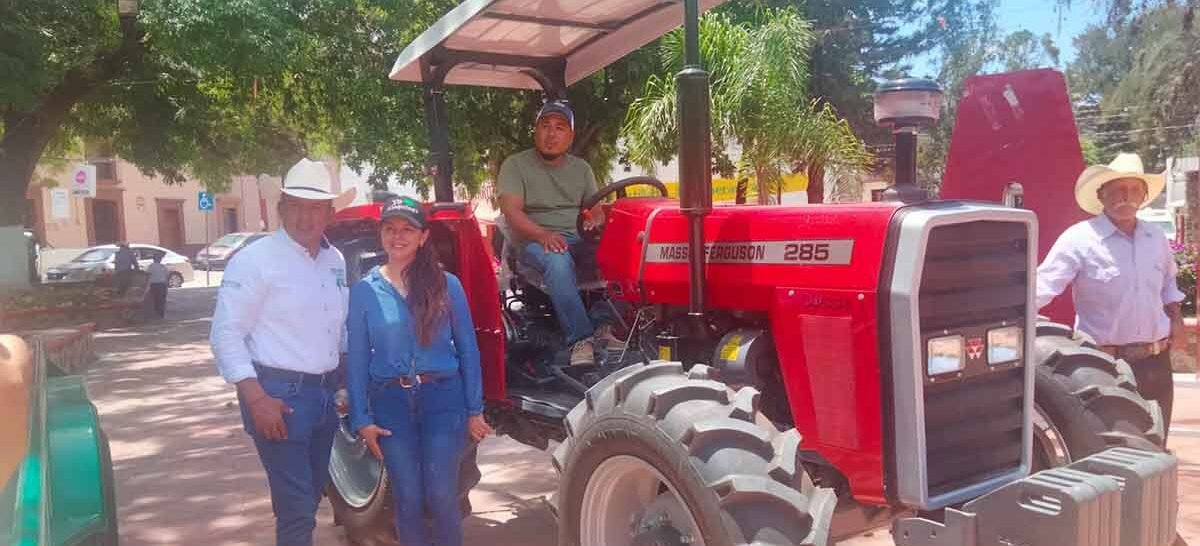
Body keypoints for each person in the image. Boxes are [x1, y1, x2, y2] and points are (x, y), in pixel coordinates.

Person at [209, 158, 355, 546]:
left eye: (316, 207)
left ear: (330, 212)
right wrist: (255, 398)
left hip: (323, 398)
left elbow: (337, 327)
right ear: (281, 208)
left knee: (307, 499)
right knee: (296, 511)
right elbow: (225, 335)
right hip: (277, 397)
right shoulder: (255, 262)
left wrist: (347, 382)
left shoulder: (334, 261)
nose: (306, 217)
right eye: (297, 206)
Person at [346, 196, 492, 546]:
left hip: (443, 399)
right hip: (391, 402)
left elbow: (468, 350)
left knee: (442, 496)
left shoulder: (446, 285)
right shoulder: (365, 290)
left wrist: (475, 409)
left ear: (423, 236)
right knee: (407, 498)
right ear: (380, 235)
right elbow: (356, 358)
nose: (398, 236)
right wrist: (361, 419)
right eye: (390, 229)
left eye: (407, 229)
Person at [1037, 152, 1184, 441]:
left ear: (1143, 196)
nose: (1124, 197)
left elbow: (1168, 284)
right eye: (1115, 190)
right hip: (1105, 367)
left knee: (1157, 447)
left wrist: (1176, 318)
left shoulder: (1156, 238)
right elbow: (1043, 286)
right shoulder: (1079, 239)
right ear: (1101, 195)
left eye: (1132, 190)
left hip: (1156, 363)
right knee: (1113, 450)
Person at [497, 100, 623, 366]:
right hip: (533, 241)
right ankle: (581, 339)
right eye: (545, 126)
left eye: (560, 128)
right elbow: (512, 212)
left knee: (625, 254)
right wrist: (543, 235)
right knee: (557, 259)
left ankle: (603, 325)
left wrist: (594, 223)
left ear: (570, 136)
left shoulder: (581, 169)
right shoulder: (516, 165)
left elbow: (596, 211)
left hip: (577, 237)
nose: (551, 134)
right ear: (536, 130)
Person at [146, 254, 169, 319]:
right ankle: (161, 314)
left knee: (154, 300)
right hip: (162, 285)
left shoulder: (150, 267)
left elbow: (147, 276)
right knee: (161, 300)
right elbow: (167, 275)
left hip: (153, 285)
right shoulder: (163, 267)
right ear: (160, 260)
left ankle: (155, 313)